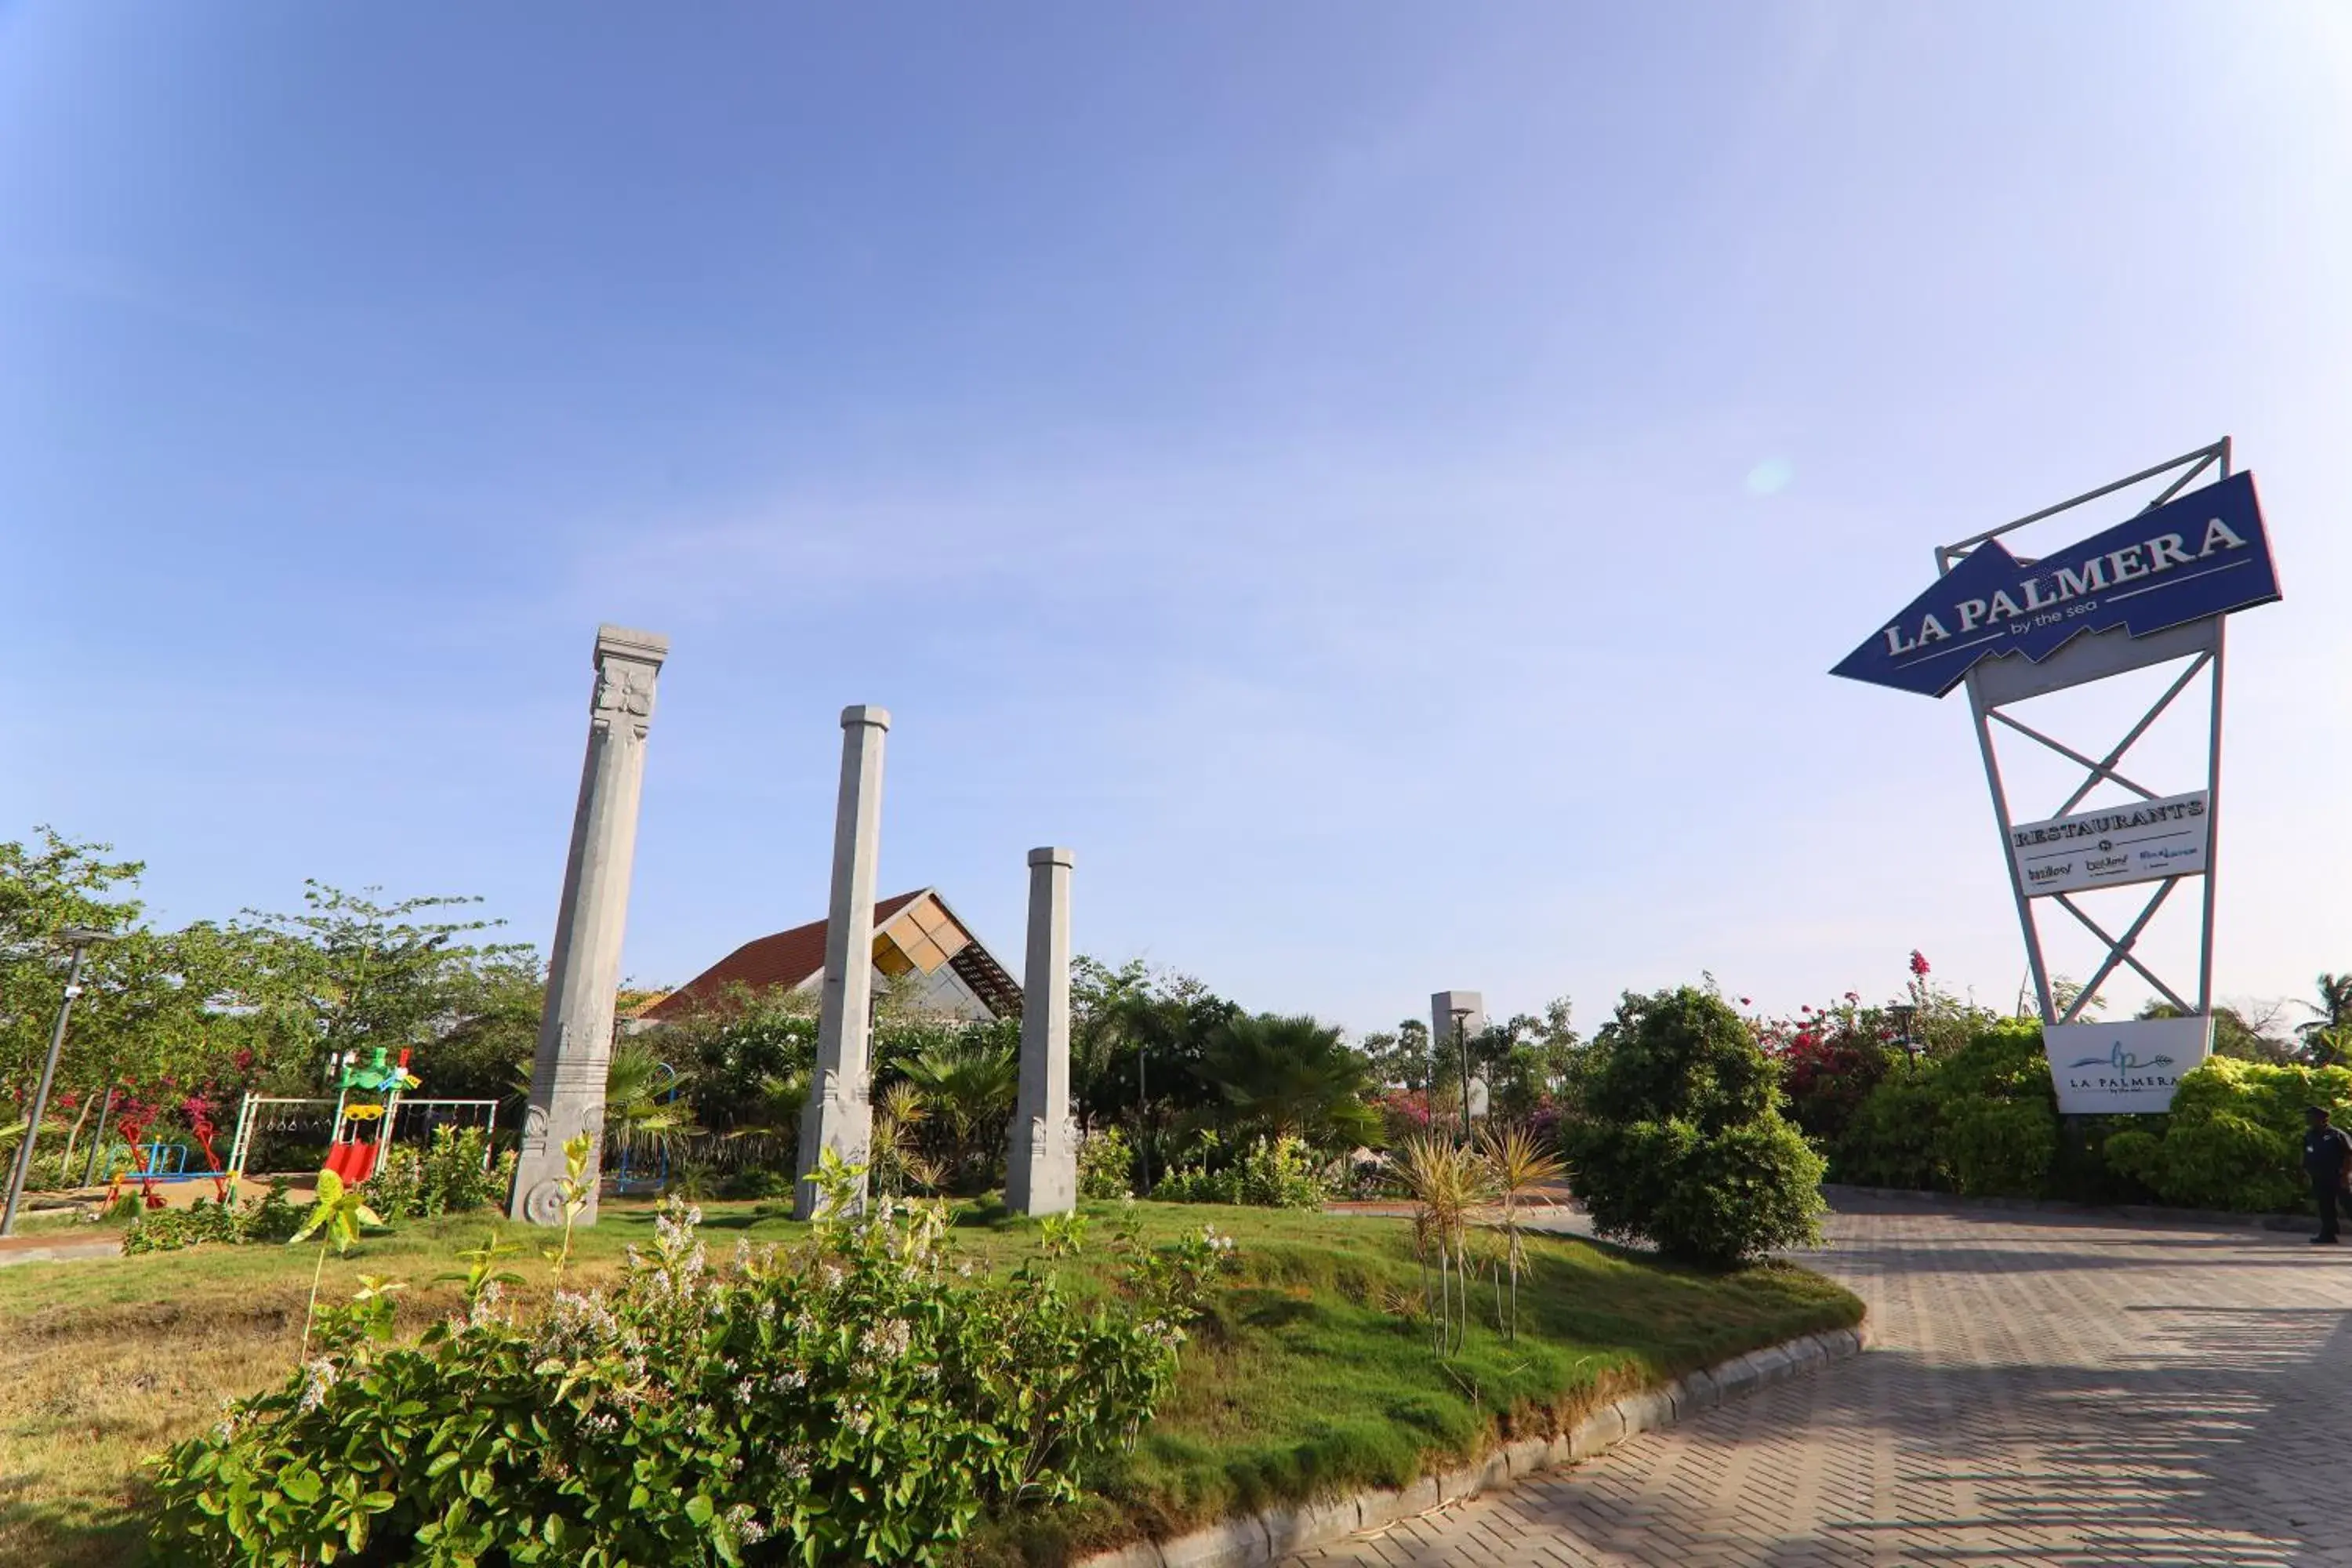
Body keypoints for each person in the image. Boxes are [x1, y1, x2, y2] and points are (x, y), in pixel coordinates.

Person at [2303, 1105, 2352, 1244]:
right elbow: (2308, 1153)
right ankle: (2328, 1234)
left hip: (2338, 1175)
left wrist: (2346, 1175)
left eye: (2312, 1117)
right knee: (2325, 1206)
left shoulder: (2336, 1134)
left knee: (2348, 1204)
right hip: (2320, 1176)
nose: (2308, 1119)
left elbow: (2349, 1155)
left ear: (2323, 1119)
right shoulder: (2310, 1135)